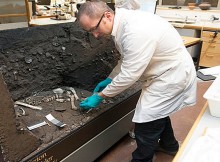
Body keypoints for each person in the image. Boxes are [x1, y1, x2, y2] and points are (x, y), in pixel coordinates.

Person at [77, 1, 197, 162]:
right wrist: (110, 78)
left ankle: (142, 159)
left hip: (171, 76)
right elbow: (127, 59)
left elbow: (129, 74)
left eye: (95, 28)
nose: (95, 35)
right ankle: (170, 147)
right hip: (162, 73)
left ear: (107, 15)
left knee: (145, 122)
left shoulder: (135, 31)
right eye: (90, 31)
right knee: (157, 114)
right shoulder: (121, 24)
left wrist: (101, 95)